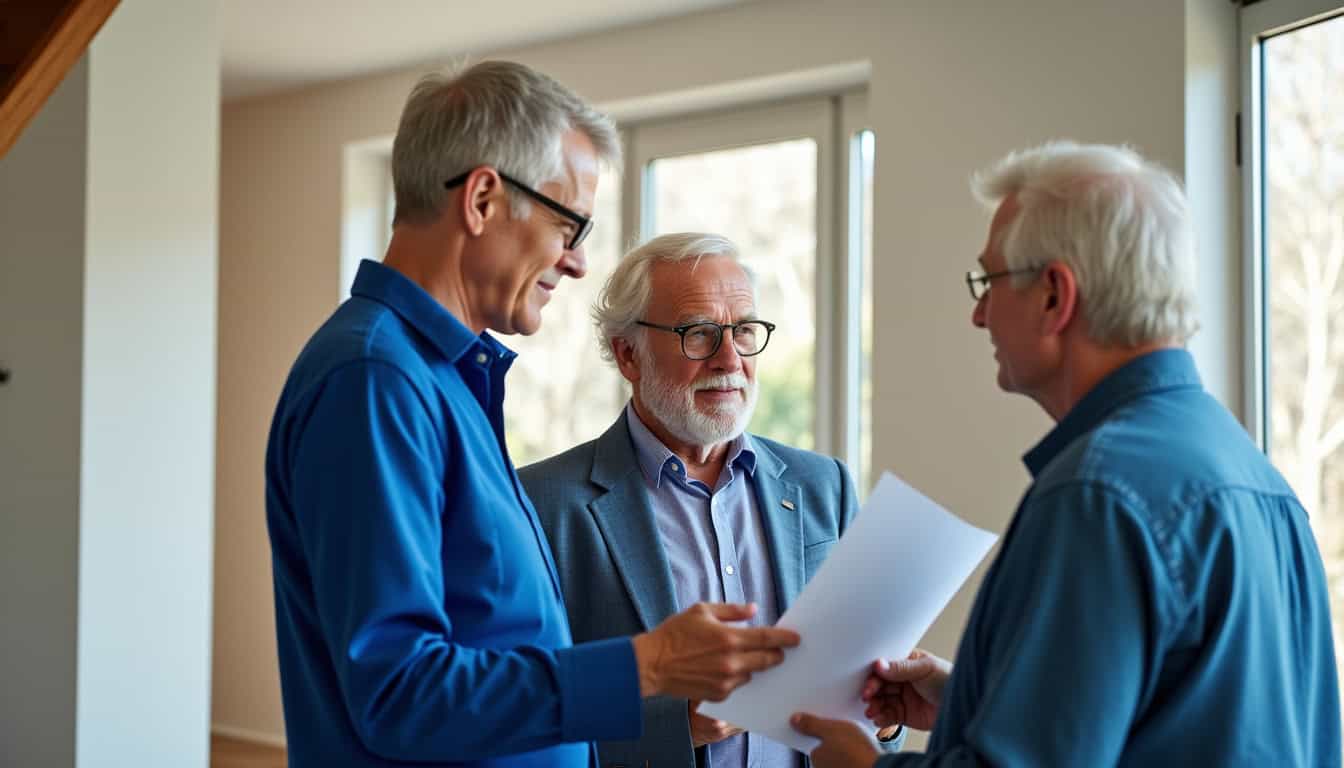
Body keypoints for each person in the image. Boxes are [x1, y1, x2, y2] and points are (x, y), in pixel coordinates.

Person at [265, 63, 800, 768]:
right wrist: (650, 664)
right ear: (483, 198)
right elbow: (398, 695)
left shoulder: (442, 378)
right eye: (568, 223)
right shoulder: (375, 380)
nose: (577, 263)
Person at [790, 141, 1341, 767]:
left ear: (1054, 295)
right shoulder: (1256, 475)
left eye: (988, 282)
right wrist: (972, 703)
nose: (979, 316)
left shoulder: (1097, 494)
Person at [519, 232, 903, 768]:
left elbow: (871, 712)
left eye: (744, 331)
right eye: (698, 334)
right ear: (628, 354)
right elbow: (517, 715)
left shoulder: (824, 486)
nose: (729, 359)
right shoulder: (543, 504)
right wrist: (675, 729)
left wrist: (885, 715)